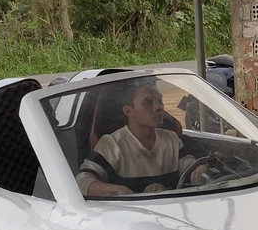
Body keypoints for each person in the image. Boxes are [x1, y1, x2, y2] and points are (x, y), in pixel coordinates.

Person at [76, 78, 208, 197]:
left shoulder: (171, 139)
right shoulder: (112, 145)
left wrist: (203, 172)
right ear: (129, 111)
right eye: (147, 102)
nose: (158, 107)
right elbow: (83, 181)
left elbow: (190, 169)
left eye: (160, 101)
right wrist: (118, 190)